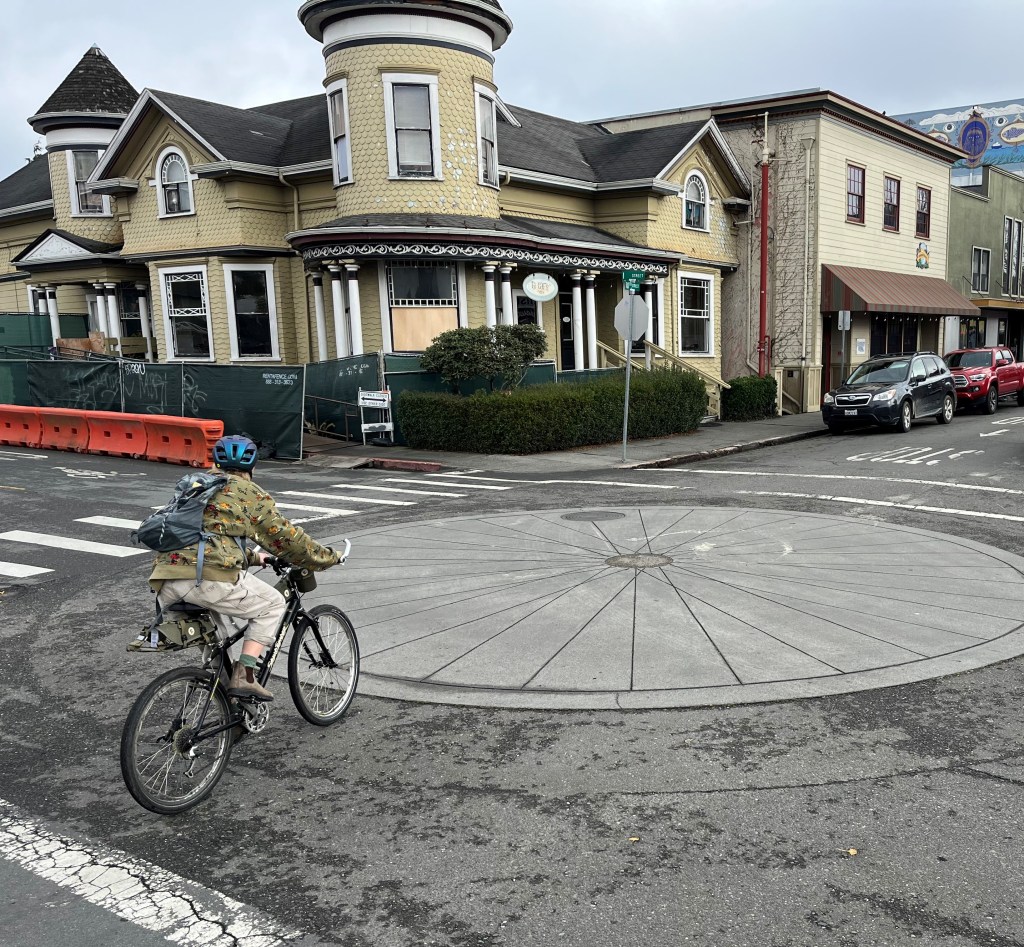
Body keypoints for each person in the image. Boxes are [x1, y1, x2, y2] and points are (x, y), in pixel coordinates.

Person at [148, 434, 341, 701]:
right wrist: (328, 557)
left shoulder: (196, 485)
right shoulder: (249, 492)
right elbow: (287, 541)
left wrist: (253, 557)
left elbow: (206, 535)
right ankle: (245, 676)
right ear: (252, 467)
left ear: (215, 462)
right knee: (273, 603)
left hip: (165, 579)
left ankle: (227, 709)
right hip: (206, 579)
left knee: (220, 644)